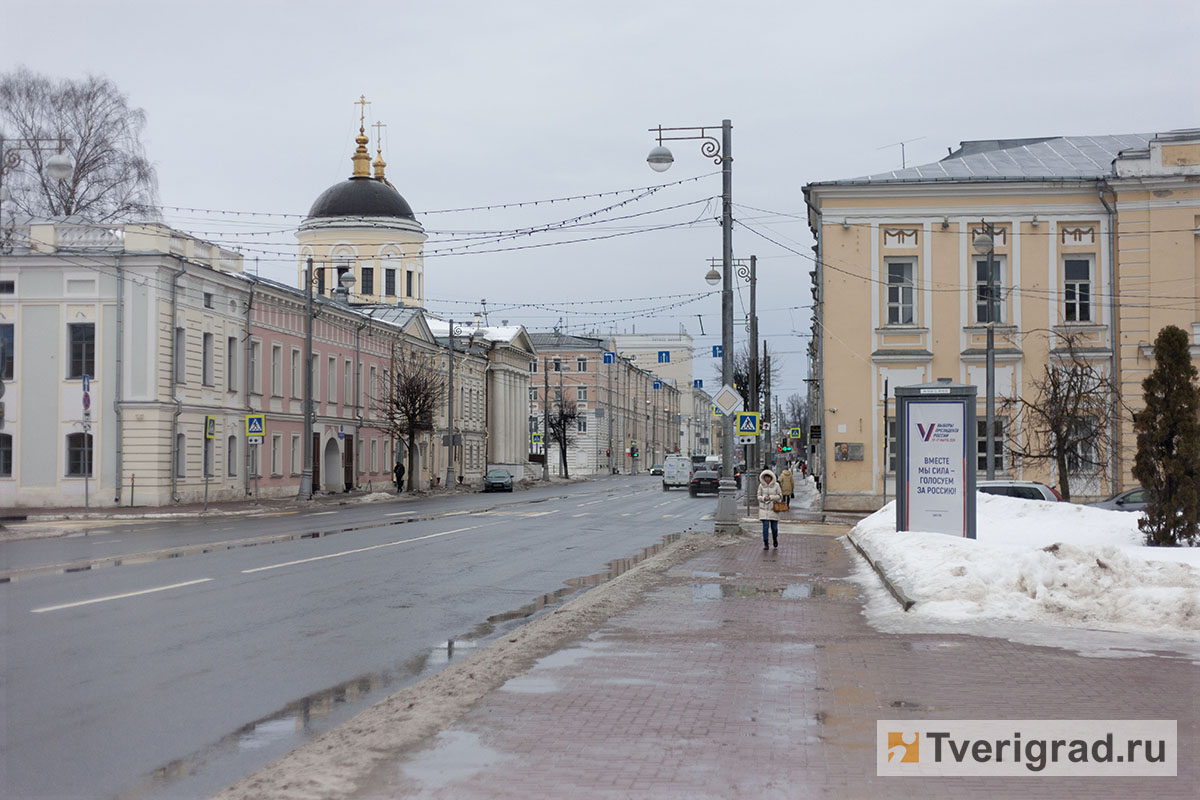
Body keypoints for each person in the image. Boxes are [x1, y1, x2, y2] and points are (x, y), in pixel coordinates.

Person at [757, 469, 783, 550]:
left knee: (774, 528)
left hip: (773, 509)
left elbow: (780, 496)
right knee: (765, 526)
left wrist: (771, 497)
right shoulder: (761, 486)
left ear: (772, 478)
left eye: (769, 477)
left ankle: (775, 539)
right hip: (764, 509)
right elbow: (758, 496)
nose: (767, 479)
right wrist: (764, 498)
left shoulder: (776, 485)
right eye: (766, 477)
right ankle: (766, 543)